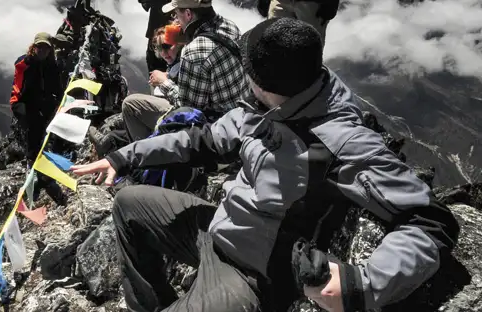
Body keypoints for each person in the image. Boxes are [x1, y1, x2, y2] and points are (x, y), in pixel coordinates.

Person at [72, 18, 458, 312]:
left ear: (260, 80)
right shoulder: (263, 109)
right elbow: (200, 141)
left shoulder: (342, 141)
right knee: (129, 205)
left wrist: (362, 286)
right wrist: (123, 156)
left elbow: (430, 220)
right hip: (217, 230)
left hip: (252, 276)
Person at [119, 0, 247, 143]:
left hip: (213, 128)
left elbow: (187, 109)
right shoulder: (229, 26)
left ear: (188, 14)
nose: (175, 19)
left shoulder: (194, 51)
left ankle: (146, 156)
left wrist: (163, 82)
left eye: (176, 14)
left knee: (131, 105)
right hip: (238, 114)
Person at [10, 31, 66, 204]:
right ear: (33, 47)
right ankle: (43, 185)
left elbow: (58, 90)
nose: (42, 50)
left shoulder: (54, 67)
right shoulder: (24, 64)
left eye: (45, 48)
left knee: (46, 146)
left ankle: (41, 182)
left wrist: (57, 106)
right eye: (39, 47)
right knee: (34, 148)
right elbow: (17, 92)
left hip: (47, 113)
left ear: (50, 50)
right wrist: (22, 113)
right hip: (28, 111)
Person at [149, 24, 185, 97]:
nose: (163, 52)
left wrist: (163, 81)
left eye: (167, 46)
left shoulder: (184, 65)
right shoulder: (174, 66)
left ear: (179, 44)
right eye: (159, 48)